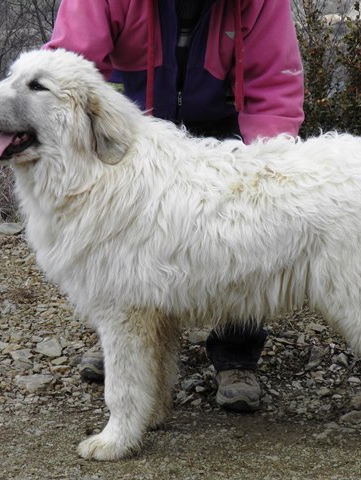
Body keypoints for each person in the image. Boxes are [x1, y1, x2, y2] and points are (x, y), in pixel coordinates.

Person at [44, 0, 304, 412]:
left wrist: (266, 178)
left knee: (241, 240)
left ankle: (236, 352)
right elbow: (66, 65)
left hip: (227, 125)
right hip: (138, 119)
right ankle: (131, 345)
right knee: (126, 247)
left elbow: (273, 88)